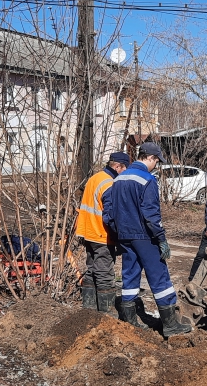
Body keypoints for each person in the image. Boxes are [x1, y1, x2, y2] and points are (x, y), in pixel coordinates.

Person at [110, 142, 192, 337]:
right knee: (159, 277)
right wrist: (161, 239)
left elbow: (111, 211)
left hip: (124, 235)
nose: (156, 164)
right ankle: (171, 325)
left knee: (129, 276)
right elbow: (151, 214)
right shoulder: (146, 179)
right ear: (150, 158)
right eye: (156, 161)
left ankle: (129, 321)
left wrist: (119, 231)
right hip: (144, 236)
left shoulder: (119, 179)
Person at [76, 152, 130, 313]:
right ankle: (107, 314)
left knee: (92, 270)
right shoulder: (109, 184)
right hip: (102, 235)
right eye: (124, 169)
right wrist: (120, 235)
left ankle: (89, 310)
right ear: (118, 166)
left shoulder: (95, 178)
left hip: (88, 232)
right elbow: (110, 215)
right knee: (104, 273)